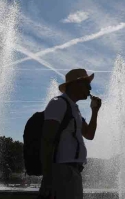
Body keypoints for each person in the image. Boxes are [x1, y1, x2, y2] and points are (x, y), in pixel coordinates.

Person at [39, 69, 102, 199]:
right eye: (87, 84)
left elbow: (89, 135)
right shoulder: (58, 103)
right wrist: (48, 177)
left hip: (73, 171)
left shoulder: (74, 109)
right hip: (62, 170)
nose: (90, 88)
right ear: (76, 84)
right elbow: (47, 140)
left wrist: (95, 111)